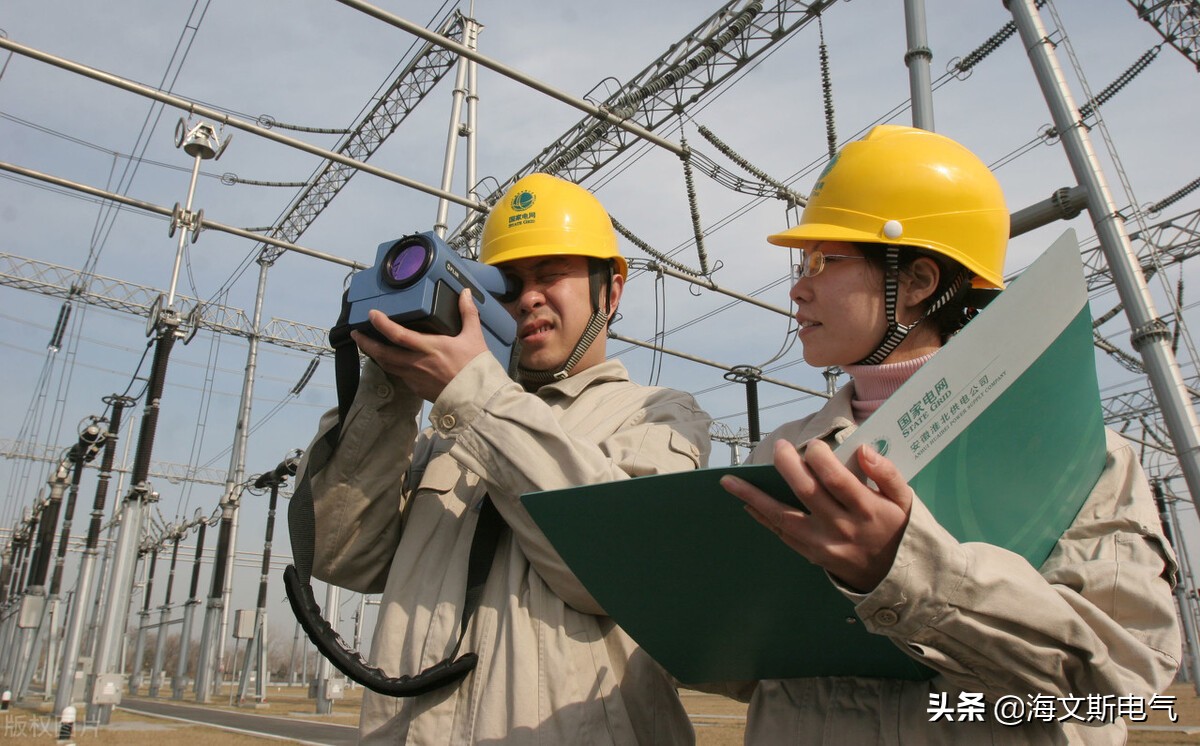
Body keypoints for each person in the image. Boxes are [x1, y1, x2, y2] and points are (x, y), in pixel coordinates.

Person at [718, 125, 1181, 744]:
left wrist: (909, 571)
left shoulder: (1080, 454)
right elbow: (746, 670)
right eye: (802, 263)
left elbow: (1119, 686)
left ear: (917, 282)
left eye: (825, 260)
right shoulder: (784, 455)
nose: (799, 287)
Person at [300, 173, 711, 744]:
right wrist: (387, 390)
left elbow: (614, 571)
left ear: (611, 292)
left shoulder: (661, 415)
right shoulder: (450, 428)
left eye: (550, 276)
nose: (529, 299)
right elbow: (341, 556)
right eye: (508, 284)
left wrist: (474, 396)